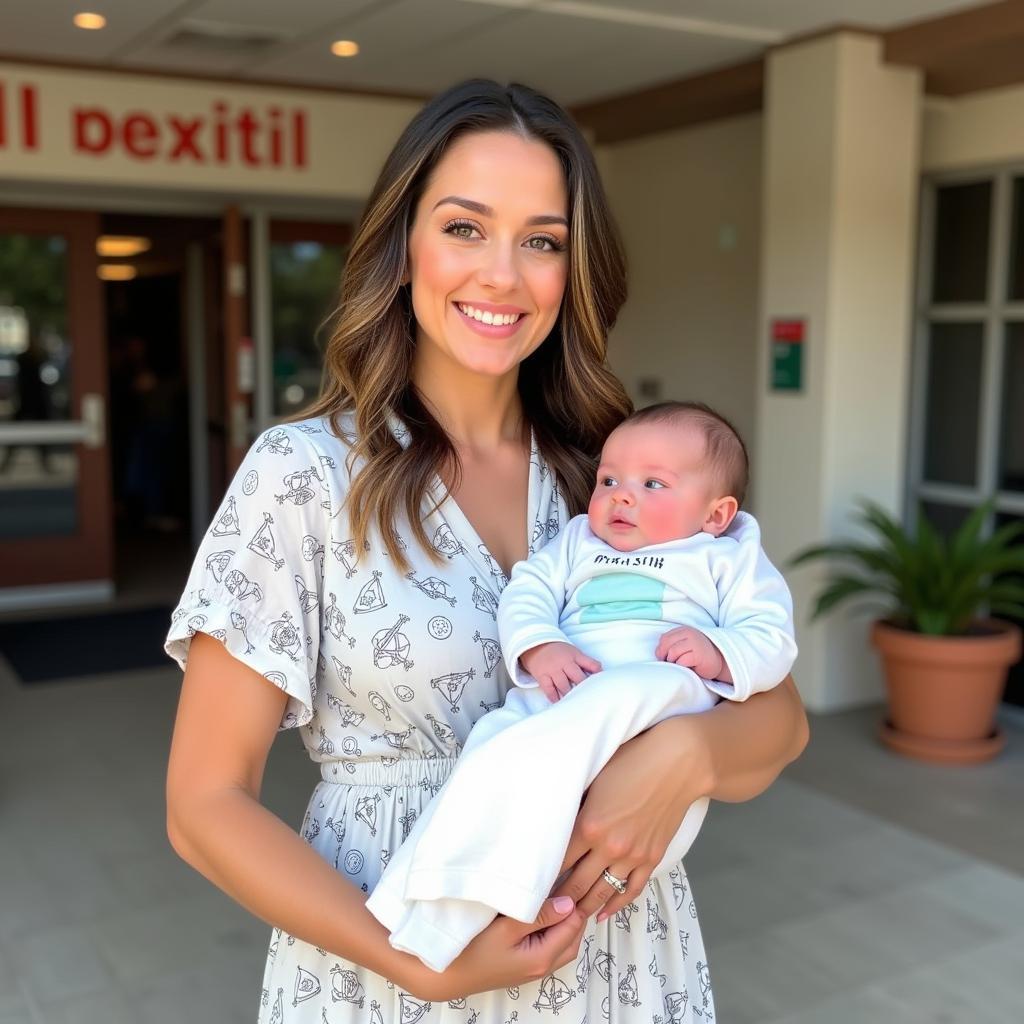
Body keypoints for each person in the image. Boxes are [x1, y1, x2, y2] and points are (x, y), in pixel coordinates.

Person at [164, 80, 808, 1023]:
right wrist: (417, 966)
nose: (503, 275)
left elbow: (780, 718)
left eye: (542, 241)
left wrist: (687, 755)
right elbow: (203, 807)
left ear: (571, 271)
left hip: (619, 962)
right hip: (391, 960)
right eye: (465, 227)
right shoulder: (303, 474)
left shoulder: (609, 476)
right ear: (403, 245)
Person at [367, 401, 797, 973]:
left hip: (660, 693)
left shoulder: (727, 556)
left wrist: (720, 651)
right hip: (567, 692)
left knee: (606, 707)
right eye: (610, 479)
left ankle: (505, 888)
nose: (622, 495)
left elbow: (772, 637)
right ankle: (426, 896)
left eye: (653, 484)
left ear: (715, 514)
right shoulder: (576, 541)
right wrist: (542, 644)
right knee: (492, 749)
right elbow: (528, 592)